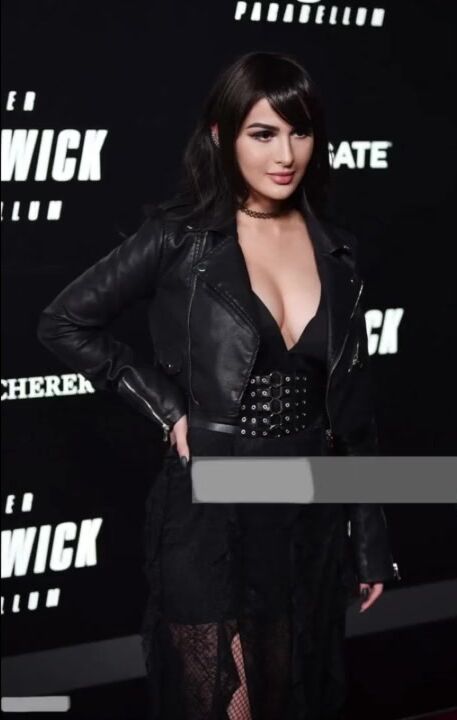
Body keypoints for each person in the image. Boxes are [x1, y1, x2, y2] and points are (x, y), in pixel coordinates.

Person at [37, 51, 400, 720]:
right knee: (225, 707)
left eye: (299, 132)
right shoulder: (180, 238)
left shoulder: (339, 253)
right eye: (262, 133)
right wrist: (167, 408)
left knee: (291, 698)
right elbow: (64, 322)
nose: (285, 154)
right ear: (220, 135)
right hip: (211, 507)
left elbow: (353, 416)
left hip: (306, 512)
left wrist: (370, 543)